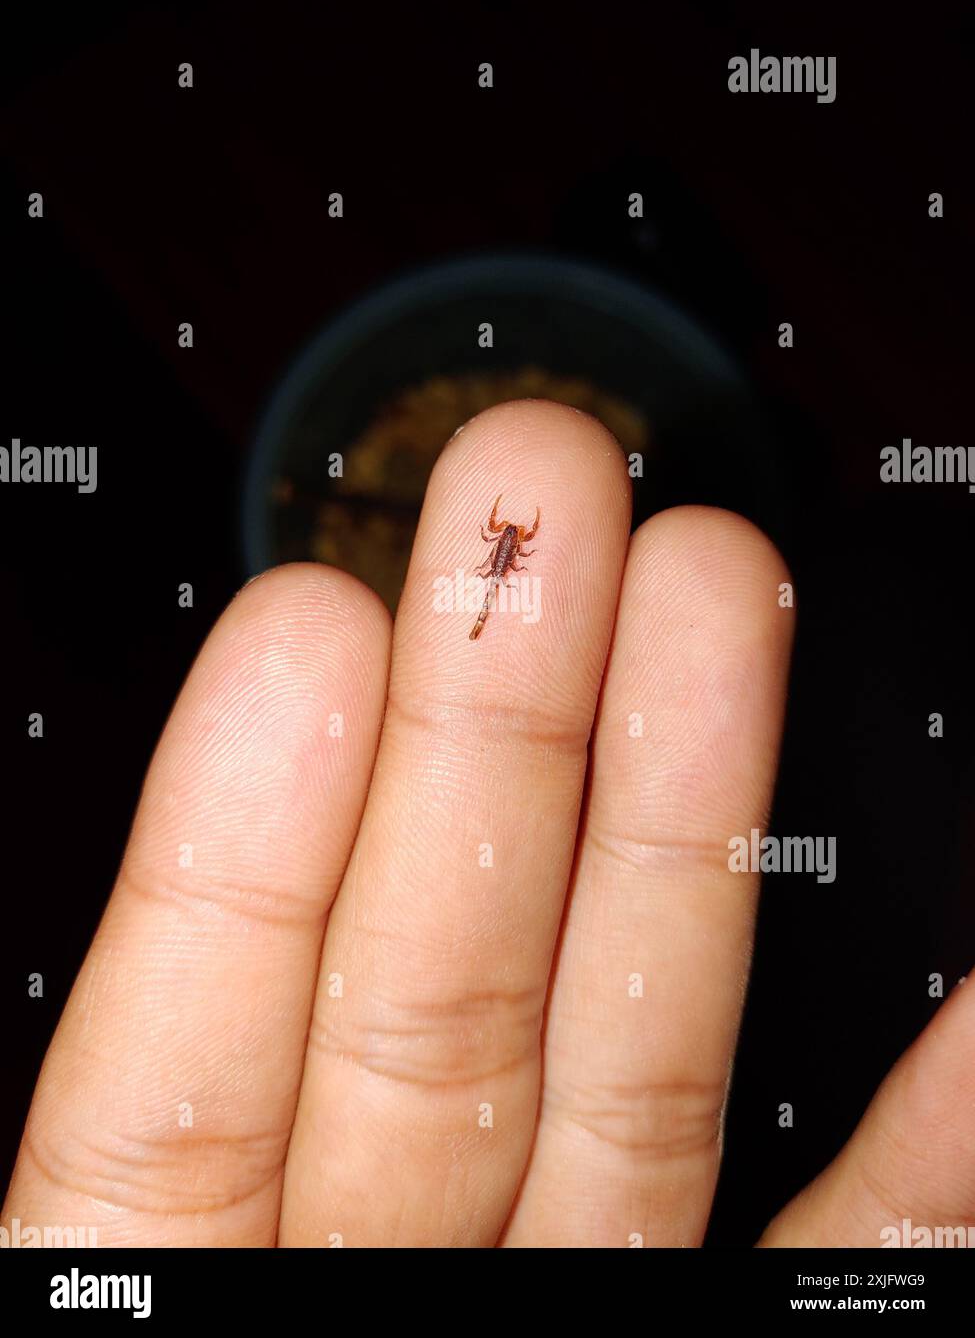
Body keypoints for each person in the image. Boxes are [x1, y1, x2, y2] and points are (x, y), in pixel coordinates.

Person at [4, 400, 972, 1247]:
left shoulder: (514, 545)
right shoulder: (510, 546)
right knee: (883, 596)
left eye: (511, 537)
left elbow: (519, 538)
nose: (509, 540)